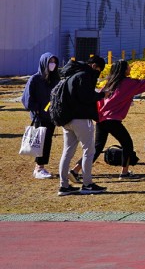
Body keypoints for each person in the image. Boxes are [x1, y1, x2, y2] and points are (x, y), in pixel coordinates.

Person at [72, 59, 145, 180]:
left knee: (97, 148)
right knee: (127, 143)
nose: (130, 69)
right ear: (123, 70)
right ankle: (124, 173)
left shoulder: (109, 83)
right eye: (128, 67)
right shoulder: (128, 83)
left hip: (101, 119)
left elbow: (99, 99)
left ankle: (75, 170)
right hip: (112, 119)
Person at [57, 55, 107, 196]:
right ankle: (87, 184)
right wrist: (102, 95)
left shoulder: (71, 74)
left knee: (67, 152)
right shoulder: (84, 76)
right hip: (81, 118)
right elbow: (87, 97)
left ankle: (64, 185)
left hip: (66, 119)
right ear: (94, 66)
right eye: (99, 69)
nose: (98, 72)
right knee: (88, 151)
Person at [23, 52, 60, 180]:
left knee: (47, 141)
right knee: (40, 141)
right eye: (50, 62)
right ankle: (39, 167)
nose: (53, 65)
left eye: (54, 62)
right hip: (39, 117)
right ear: (44, 63)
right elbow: (27, 99)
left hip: (51, 116)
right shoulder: (35, 79)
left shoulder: (56, 79)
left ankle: (41, 166)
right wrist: (37, 109)